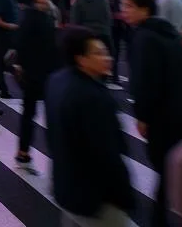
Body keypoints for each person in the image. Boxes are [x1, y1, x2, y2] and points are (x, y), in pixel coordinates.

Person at [45, 27, 134, 226]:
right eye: (98, 53)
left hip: (67, 186)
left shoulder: (57, 80)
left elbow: (52, 136)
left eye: (106, 52)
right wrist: (124, 195)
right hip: (96, 199)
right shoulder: (93, 97)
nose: (107, 58)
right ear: (81, 59)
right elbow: (107, 153)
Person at [122, 0, 182, 227]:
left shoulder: (144, 38)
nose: (124, 12)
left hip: (162, 114)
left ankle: (159, 219)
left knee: (165, 167)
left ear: (144, 9)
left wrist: (142, 116)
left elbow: (144, 79)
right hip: (178, 108)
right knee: (169, 168)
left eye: (129, 7)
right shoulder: (167, 32)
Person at [13, 0, 61, 176]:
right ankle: (24, 151)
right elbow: (21, 44)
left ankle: (35, 151)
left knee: (44, 113)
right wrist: (22, 66)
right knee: (32, 113)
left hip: (48, 71)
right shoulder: (31, 16)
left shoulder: (49, 12)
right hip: (35, 72)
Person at [70, 0, 114, 82]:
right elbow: (108, 18)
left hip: (86, 36)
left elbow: (75, 21)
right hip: (103, 34)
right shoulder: (102, 0)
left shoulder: (79, 1)